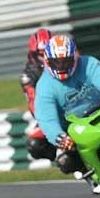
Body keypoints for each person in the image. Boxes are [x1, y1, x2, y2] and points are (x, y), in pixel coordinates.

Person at [33, 34, 100, 192]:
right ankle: (90, 172)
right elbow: (46, 118)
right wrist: (59, 137)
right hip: (76, 128)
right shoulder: (44, 86)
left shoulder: (88, 64)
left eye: (66, 61)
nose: (62, 66)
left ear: (74, 57)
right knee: (65, 162)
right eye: (57, 62)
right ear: (48, 61)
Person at [19, 28, 56, 161]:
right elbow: (33, 102)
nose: (45, 57)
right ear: (34, 55)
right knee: (34, 144)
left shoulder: (67, 60)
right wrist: (47, 119)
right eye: (41, 54)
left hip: (76, 104)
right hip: (50, 113)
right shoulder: (28, 75)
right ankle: (66, 160)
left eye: (48, 52)